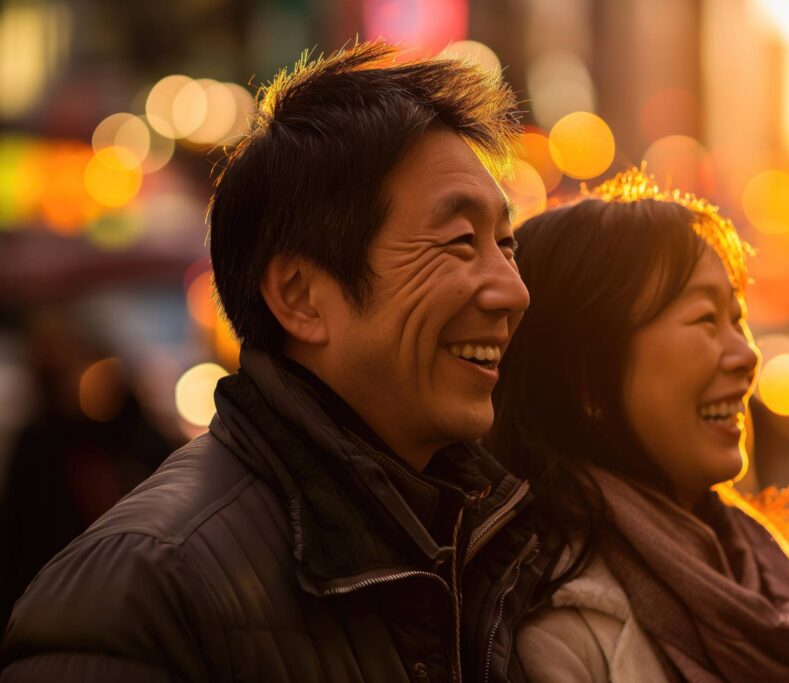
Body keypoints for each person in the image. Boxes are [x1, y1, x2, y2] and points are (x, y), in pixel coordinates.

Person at [2, 41, 549, 682]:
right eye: (459, 242)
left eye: (506, 245)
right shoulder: (140, 592)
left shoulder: (498, 551)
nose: (513, 291)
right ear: (299, 298)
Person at [490, 168, 789, 682]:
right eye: (705, 319)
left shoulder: (774, 586)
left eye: (736, 316)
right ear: (589, 374)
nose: (746, 355)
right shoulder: (556, 632)